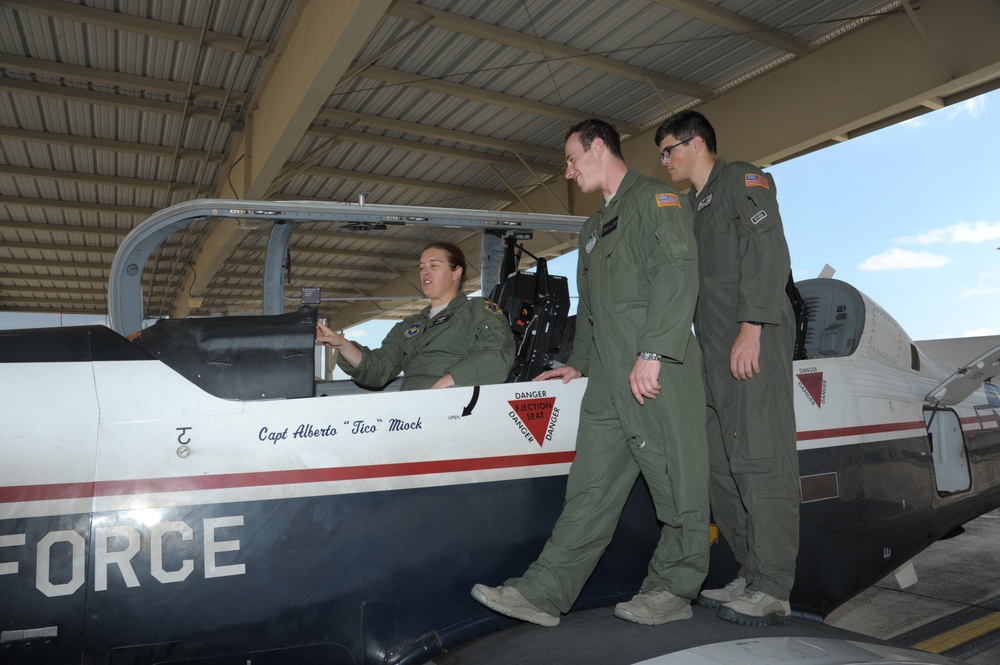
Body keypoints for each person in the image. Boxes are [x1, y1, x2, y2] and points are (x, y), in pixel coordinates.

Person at [471, 119, 709, 627]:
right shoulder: (593, 228)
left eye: (572, 158)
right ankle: (543, 592)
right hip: (607, 380)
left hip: (658, 373)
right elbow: (594, 309)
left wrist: (655, 352)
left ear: (598, 148)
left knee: (678, 483)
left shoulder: (657, 201)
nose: (568, 169)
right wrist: (576, 363)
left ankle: (673, 589)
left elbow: (678, 273)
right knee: (590, 488)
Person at [653, 110, 799, 627]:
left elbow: (768, 246)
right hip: (712, 355)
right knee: (722, 468)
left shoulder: (742, 179)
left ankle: (774, 585)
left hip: (749, 341)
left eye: (668, 149)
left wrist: (752, 325)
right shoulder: (690, 207)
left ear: (694, 143)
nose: (664, 160)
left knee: (761, 460)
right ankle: (749, 572)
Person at [316, 242, 516, 391]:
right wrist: (342, 344)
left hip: (455, 406)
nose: (424, 273)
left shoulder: (476, 311)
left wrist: (446, 382)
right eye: (421, 267)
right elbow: (379, 369)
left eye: (434, 266)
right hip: (412, 410)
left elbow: (498, 354)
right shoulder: (409, 326)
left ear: (456, 273)